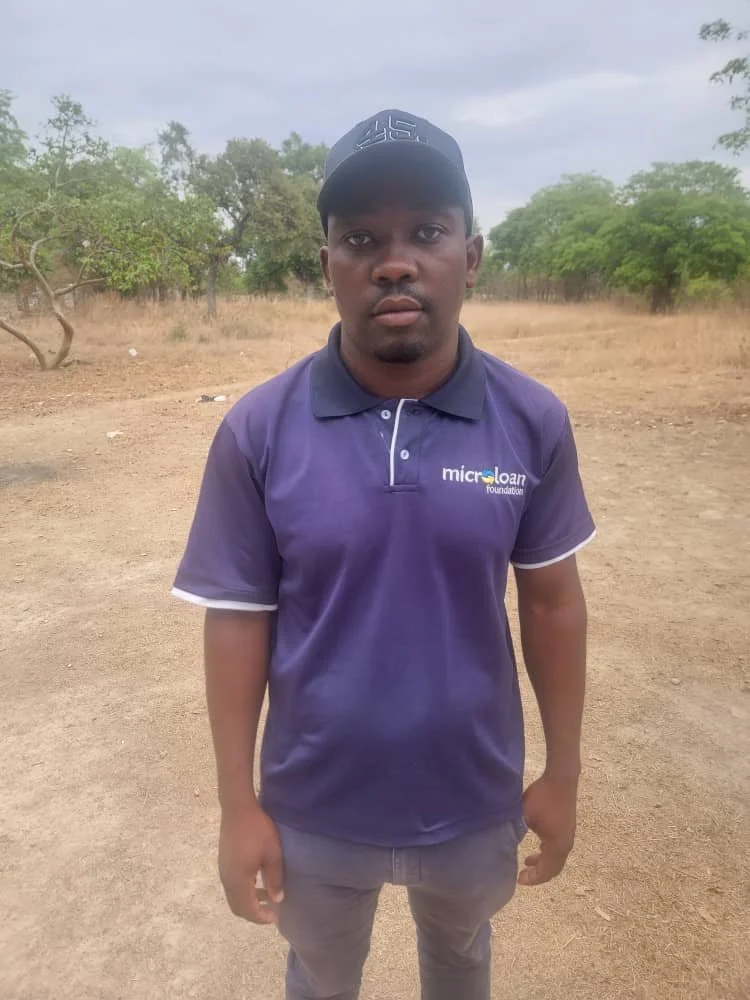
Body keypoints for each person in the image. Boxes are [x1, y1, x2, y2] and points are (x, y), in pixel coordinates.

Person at [172, 109, 595, 1000]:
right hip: (314, 806)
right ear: (327, 266)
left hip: (476, 801)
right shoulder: (258, 429)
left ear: (470, 258)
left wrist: (562, 769)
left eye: (426, 232)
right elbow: (237, 621)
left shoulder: (531, 420)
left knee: (460, 963)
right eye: (361, 238)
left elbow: (552, 602)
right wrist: (235, 802)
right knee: (321, 978)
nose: (394, 260)